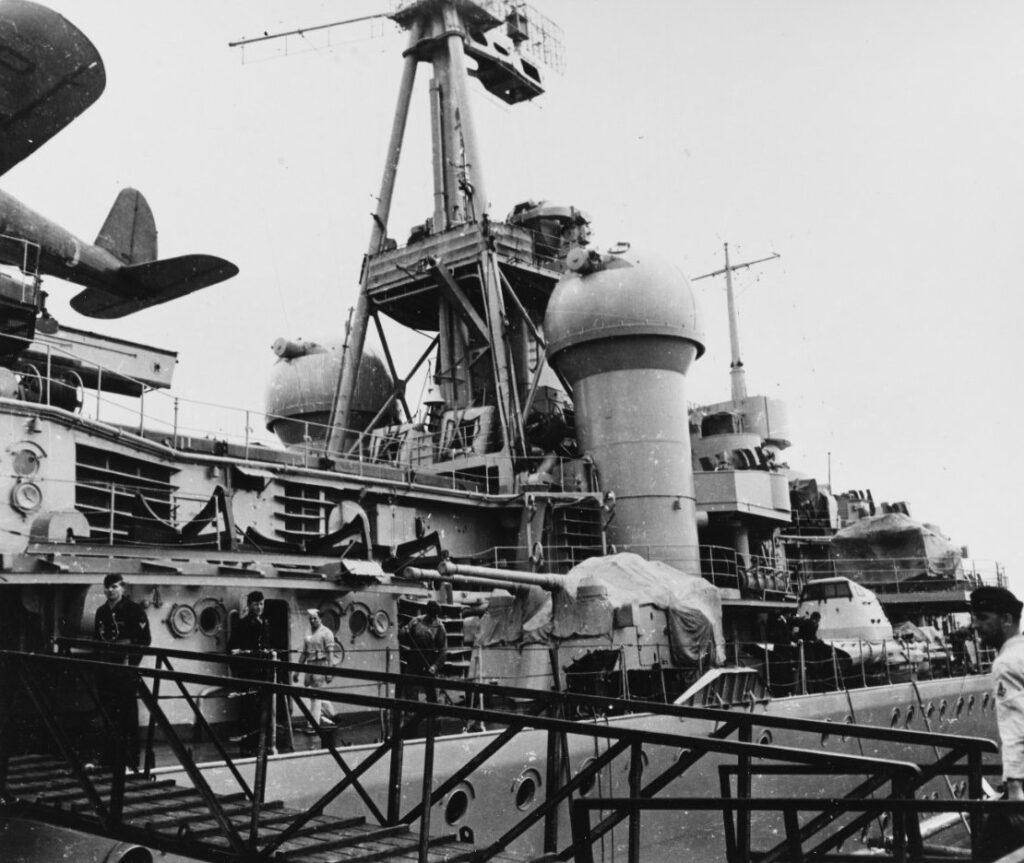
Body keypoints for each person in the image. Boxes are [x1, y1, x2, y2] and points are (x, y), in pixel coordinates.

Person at [971, 585, 1024, 860]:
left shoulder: (1006, 663)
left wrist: (1014, 785)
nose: (975, 625)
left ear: (1005, 619)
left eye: (982, 617)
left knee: (989, 851)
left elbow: (1015, 722)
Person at [93, 573, 151, 771]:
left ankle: (130, 761)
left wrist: (131, 664)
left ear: (123, 589)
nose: (111, 590)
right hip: (106, 670)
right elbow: (97, 641)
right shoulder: (101, 612)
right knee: (108, 715)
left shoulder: (134, 610)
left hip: (125, 670)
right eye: (107, 587)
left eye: (115, 587)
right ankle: (109, 760)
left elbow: (144, 640)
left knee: (127, 716)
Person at [227, 590, 272, 755]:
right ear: (249, 605)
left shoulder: (266, 623)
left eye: (261, 604)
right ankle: (247, 747)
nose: (259, 607)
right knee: (248, 710)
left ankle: (261, 744)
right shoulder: (243, 624)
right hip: (249, 674)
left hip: (263, 674)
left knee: (263, 709)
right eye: (255, 604)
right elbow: (231, 649)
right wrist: (238, 671)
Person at [293, 609, 337, 730]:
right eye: (310, 619)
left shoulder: (326, 633)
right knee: (313, 693)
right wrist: (297, 671)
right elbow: (304, 653)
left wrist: (329, 672)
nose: (312, 621)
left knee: (315, 695)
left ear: (320, 619)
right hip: (310, 665)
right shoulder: (308, 632)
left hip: (321, 664)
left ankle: (313, 725)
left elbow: (331, 654)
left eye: (315, 618)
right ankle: (332, 714)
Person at [399, 600, 447, 703]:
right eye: (431, 615)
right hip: (414, 661)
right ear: (427, 612)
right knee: (411, 690)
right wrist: (404, 632)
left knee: (432, 694)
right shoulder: (415, 622)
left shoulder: (440, 627)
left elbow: (443, 651)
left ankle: (432, 715)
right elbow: (403, 638)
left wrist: (435, 666)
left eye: (435, 615)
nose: (433, 618)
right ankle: (411, 714)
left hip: (429, 662)